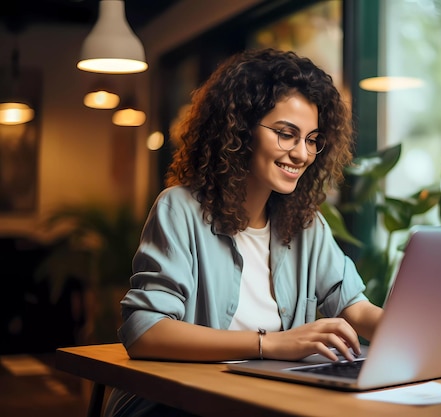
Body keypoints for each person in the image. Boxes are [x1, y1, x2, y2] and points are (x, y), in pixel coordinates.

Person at [104, 48, 384, 417]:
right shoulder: (180, 209)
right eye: (287, 134)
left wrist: (425, 337)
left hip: (268, 399)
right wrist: (271, 345)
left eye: (312, 139)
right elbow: (145, 332)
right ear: (239, 130)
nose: (302, 153)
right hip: (177, 403)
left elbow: (354, 306)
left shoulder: (306, 224)